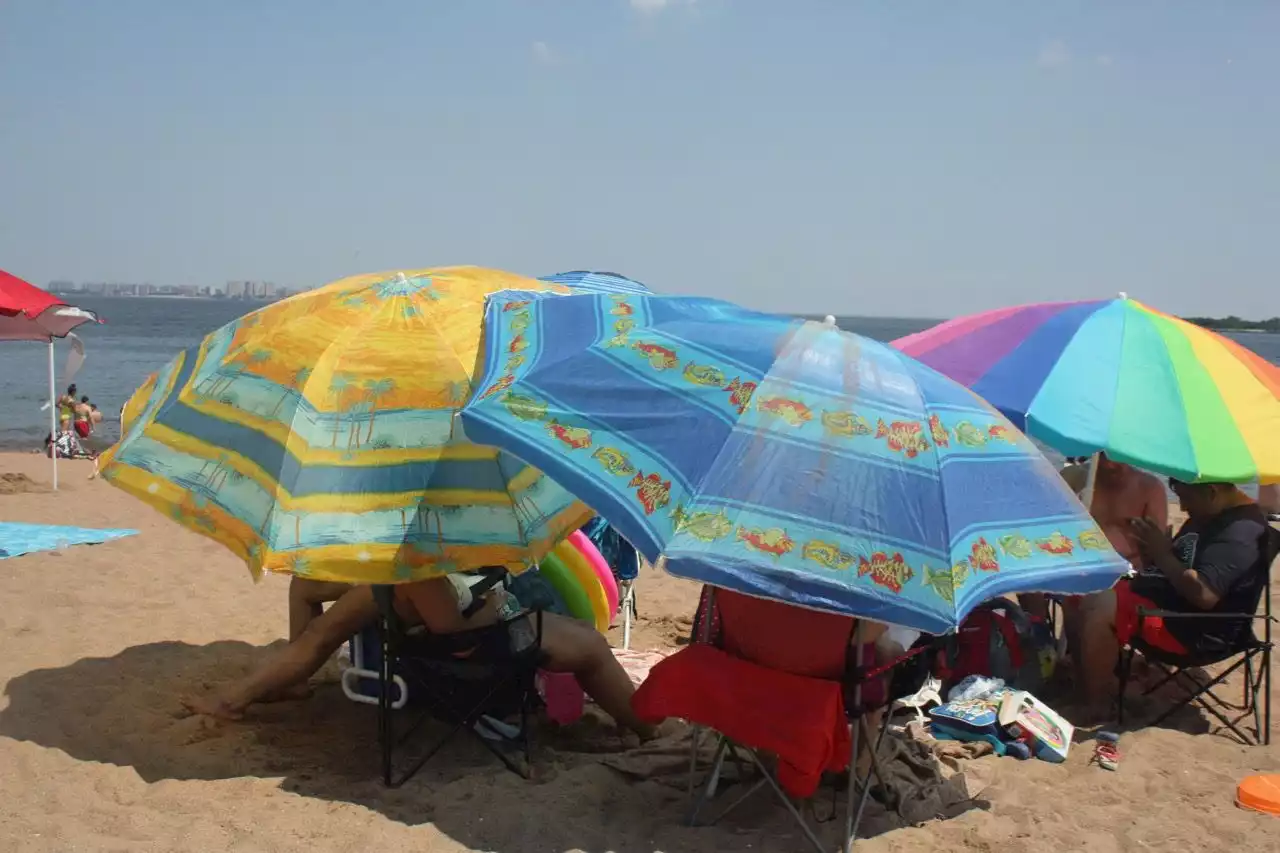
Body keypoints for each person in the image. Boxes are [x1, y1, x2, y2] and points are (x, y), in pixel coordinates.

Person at [183, 573, 658, 738]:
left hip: (429, 624)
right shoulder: (424, 561)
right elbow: (451, 626)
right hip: (474, 648)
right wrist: (494, 602)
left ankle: (238, 698)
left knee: (321, 633)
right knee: (590, 645)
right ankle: (644, 728)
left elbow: (320, 638)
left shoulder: (403, 556)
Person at [1073, 479, 1275, 714]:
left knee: (1101, 603)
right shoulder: (1209, 514)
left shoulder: (1240, 532)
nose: (1182, 506)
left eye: (1185, 497)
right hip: (1164, 605)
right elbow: (1178, 566)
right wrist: (1153, 555)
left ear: (1211, 492)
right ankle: (1087, 678)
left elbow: (1204, 594)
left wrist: (1162, 553)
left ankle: (1095, 704)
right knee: (1082, 589)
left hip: (1191, 632)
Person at [1021, 454, 1168, 622]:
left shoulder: (1149, 488)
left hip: (1123, 574)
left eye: (1117, 456)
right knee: (1025, 576)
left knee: (1082, 600)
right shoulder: (1075, 478)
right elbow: (1045, 526)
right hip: (1074, 563)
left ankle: (1076, 646)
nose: (1111, 464)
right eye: (1104, 456)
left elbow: (1157, 550)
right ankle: (1039, 635)